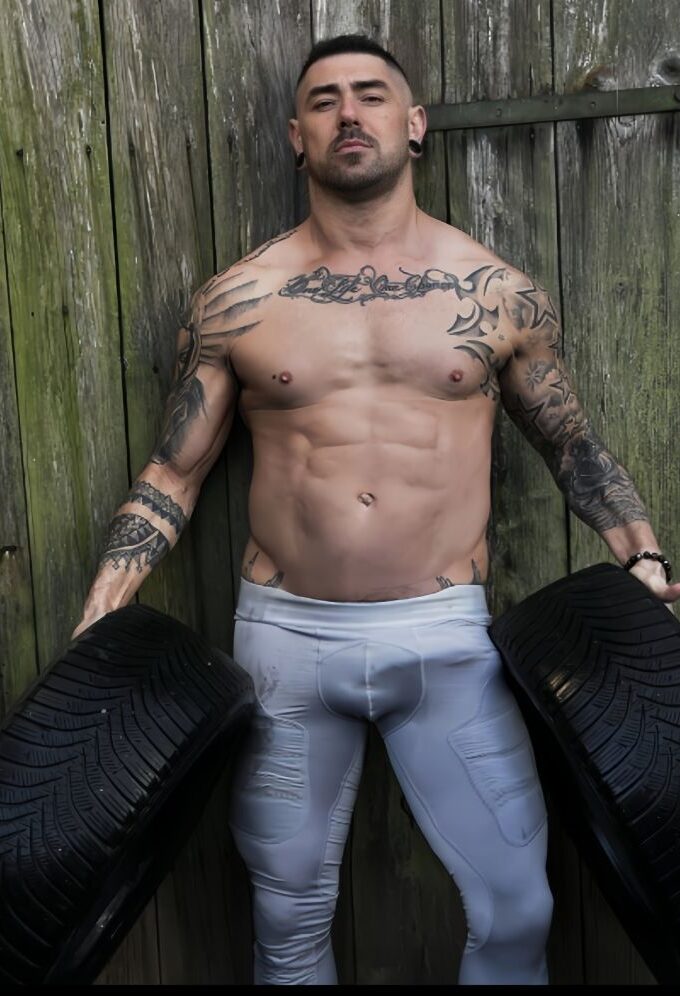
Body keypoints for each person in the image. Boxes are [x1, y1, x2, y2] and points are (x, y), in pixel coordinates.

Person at [74, 33, 680, 986]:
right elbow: (175, 471)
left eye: (370, 94)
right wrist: (107, 601)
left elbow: (572, 444)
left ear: (415, 123)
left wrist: (641, 557)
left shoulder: (497, 294)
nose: (348, 114)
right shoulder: (237, 299)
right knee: (286, 919)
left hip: (446, 643)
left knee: (518, 908)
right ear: (296, 136)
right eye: (324, 100)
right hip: (287, 643)